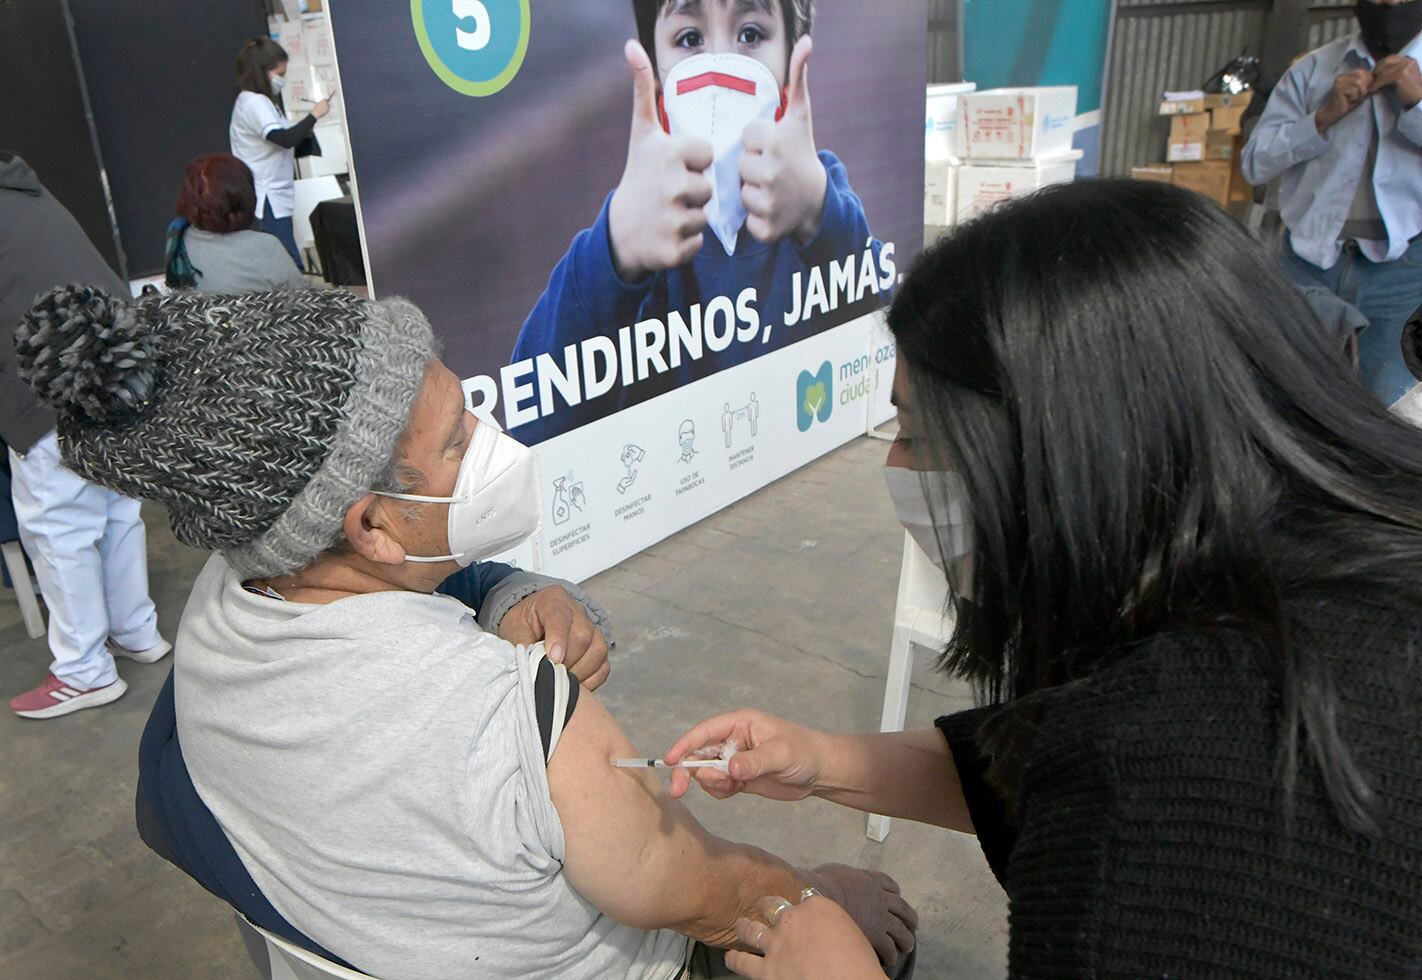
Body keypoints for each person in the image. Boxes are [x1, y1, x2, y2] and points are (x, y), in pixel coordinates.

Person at [13, 284, 918, 979]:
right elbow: (700, 892)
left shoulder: (222, 608)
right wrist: (804, 897)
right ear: (369, 524)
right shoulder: (506, 717)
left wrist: (501, 591)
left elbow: (381, 617)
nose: (487, 439)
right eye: (456, 441)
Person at [662, 179, 1422, 979]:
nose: (896, 467)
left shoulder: (1170, 785)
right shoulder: (1335, 580)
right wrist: (824, 761)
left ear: (1073, 458)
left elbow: (1113, 780)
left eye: (919, 436)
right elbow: (1053, 759)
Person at [509, 0, 882, 442]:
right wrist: (615, 253)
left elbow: (885, 352)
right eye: (689, 40)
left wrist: (820, 215)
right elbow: (530, 429)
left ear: (789, 62)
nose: (717, 71)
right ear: (654, 71)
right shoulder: (641, 226)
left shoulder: (820, 196)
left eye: (750, 35)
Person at [0, 151, 169, 719]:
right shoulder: (28, 190)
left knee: (58, 528)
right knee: (117, 510)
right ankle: (136, 630)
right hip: (109, 376)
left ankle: (83, 671)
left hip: (46, 387)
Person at [1241, 0, 1422, 406]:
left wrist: (1418, 103)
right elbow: (1254, 164)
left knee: (1388, 405)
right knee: (1287, 395)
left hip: (1405, 274)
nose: (1389, 7)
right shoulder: (1311, 72)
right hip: (1306, 266)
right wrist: (1321, 117)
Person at [229, 37, 333, 269]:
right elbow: (284, 139)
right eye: (280, 73)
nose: (283, 80)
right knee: (288, 264)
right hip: (266, 196)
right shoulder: (254, 103)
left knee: (285, 262)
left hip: (276, 195)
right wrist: (314, 115)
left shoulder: (264, 103)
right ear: (264, 72)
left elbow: (285, 142)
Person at [165, 153, 305, 293]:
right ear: (246, 197)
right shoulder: (266, 246)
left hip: (198, 313)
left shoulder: (178, 238)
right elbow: (306, 303)